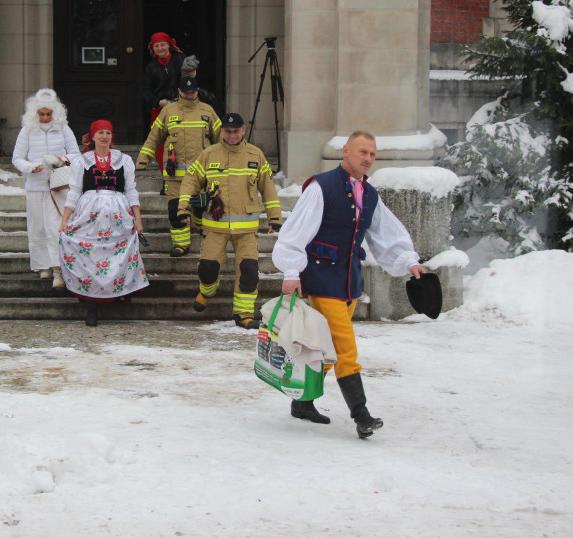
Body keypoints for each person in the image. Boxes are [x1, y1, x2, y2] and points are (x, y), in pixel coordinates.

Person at [272, 131, 426, 439]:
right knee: (345, 348)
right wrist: (291, 270)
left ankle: (303, 402)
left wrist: (408, 260)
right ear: (345, 151)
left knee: (326, 347)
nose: (368, 159)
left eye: (372, 154)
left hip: (348, 281)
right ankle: (361, 414)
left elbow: (386, 233)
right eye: (362, 152)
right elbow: (296, 229)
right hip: (321, 278)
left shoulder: (369, 195)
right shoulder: (321, 187)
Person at [177, 112, 282, 328]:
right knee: (207, 269)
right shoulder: (208, 154)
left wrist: (275, 218)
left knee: (249, 272)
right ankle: (207, 291)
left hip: (246, 230)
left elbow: (268, 189)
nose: (232, 135)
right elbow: (190, 181)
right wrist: (183, 209)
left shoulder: (256, 155)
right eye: (227, 131)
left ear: (243, 130)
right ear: (221, 131)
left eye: (236, 131)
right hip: (215, 227)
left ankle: (243, 314)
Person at [58, 120, 149, 327]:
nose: (105, 136)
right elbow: (74, 192)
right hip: (89, 215)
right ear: (92, 136)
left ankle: (114, 295)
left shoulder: (124, 160)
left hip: (119, 216)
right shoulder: (82, 162)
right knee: (90, 257)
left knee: (115, 256)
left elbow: (131, 190)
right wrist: (65, 220)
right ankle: (91, 307)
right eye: (100, 132)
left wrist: (138, 218)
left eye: (108, 132)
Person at [136, 76, 221, 256]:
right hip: (174, 175)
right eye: (186, 92)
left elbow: (221, 138)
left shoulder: (208, 111)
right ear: (179, 91)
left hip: (201, 175)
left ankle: (200, 223)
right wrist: (144, 157)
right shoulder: (168, 111)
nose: (189, 95)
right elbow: (154, 137)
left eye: (193, 92)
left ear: (197, 91)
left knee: (199, 204)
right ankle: (181, 244)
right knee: (175, 208)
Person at [11, 88, 80, 289]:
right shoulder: (27, 131)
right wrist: (29, 167)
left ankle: (58, 267)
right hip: (35, 185)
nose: (45, 117)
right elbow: (17, 158)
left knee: (56, 226)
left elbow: (76, 154)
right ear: (35, 114)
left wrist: (59, 159)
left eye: (48, 114)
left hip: (58, 186)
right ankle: (43, 265)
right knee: (37, 226)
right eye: (41, 114)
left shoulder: (64, 129)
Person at [142, 32, 185, 177]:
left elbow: (190, 80)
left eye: (162, 44)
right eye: (156, 46)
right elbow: (146, 91)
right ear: (153, 48)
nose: (160, 48)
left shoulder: (180, 60)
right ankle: (166, 176)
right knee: (161, 145)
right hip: (160, 110)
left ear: (169, 45)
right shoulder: (150, 67)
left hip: (182, 108)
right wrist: (158, 102)